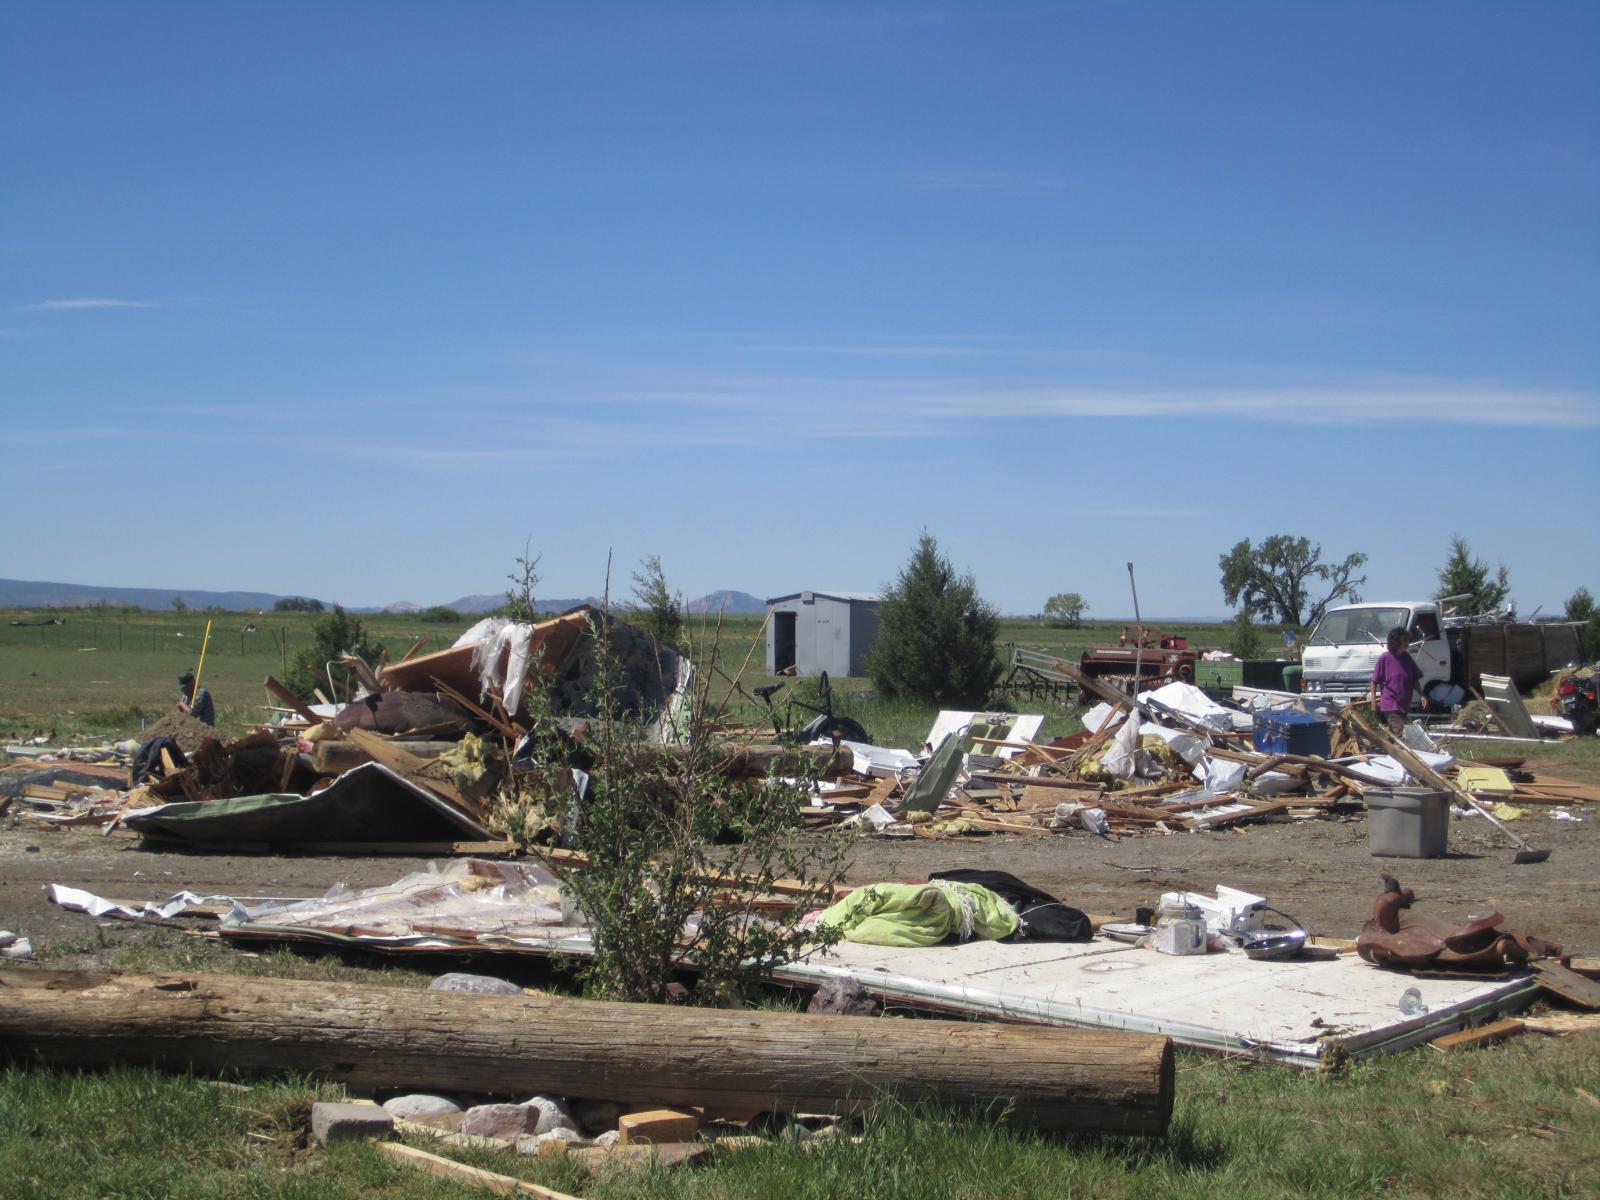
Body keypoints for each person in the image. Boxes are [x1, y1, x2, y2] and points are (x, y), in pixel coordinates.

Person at [1369, 627, 1422, 736]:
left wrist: (1422, 695)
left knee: (1392, 733)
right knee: (1399, 730)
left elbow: (1414, 679)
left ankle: (1383, 745)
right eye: (1404, 640)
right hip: (1390, 703)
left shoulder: (1407, 658)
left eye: (1408, 640)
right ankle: (1399, 747)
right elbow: (1374, 682)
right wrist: (1373, 702)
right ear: (1396, 641)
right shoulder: (1385, 658)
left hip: (1404, 703)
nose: (1407, 643)